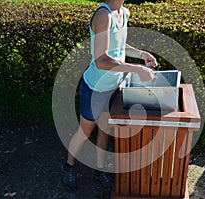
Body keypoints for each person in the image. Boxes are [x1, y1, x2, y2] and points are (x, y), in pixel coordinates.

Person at [61, 0, 158, 190]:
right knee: (85, 131)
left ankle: (100, 169)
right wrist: (137, 70)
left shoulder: (124, 13)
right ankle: (68, 166)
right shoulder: (103, 15)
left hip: (114, 86)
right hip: (95, 87)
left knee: (105, 129)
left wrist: (141, 54)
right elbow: (101, 61)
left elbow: (119, 45)